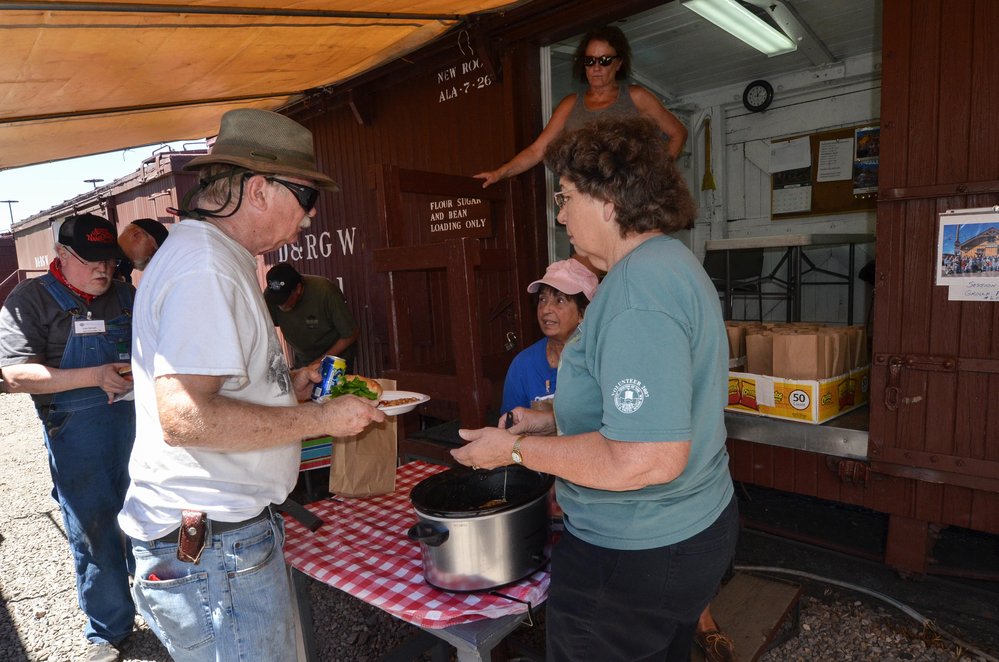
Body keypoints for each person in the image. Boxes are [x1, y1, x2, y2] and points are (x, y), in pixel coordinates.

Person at [453, 116, 737, 662]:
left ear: (609, 202)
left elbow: (646, 457)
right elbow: (658, 403)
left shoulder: (636, 292)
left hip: (638, 554)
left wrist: (514, 448)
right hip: (690, 529)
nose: (560, 216)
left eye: (565, 198)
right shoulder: (671, 260)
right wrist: (552, 419)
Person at [117, 108, 385, 662]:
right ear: (259, 189)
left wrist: (289, 384)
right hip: (215, 546)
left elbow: (220, 386)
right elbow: (185, 417)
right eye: (307, 200)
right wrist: (322, 420)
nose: (310, 220)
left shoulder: (215, 257)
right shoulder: (205, 268)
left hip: (218, 541)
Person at [0, 213, 136, 662]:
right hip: (78, 431)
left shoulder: (126, 295)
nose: (104, 270)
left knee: (149, 516)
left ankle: (162, 609)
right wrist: (93, 375)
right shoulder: (31, 300)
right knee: (94, 525)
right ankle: (109, 628)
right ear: (61, 254)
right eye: (92, 260)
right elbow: (13, 375)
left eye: (110, 262)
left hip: (138, 422)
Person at [474, 25, 688, 188]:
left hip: (627, 197)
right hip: (586, 197)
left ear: (618, 64)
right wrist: (500, 173)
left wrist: (656, 172)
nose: (596, 68)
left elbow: (678, 132)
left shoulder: (637, 96)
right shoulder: (570, 104)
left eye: (604, 61)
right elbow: (537, 149)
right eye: (590, 61)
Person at [501, 257, 597, 414]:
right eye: (542, 299)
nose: (546, 309)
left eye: (559, 300)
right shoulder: (524, 364)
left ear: (584, 312)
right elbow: (510, 426)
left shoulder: (599, 360)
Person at [264, 261, 360, 370]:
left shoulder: (324, 291)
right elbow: (263, 332)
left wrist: (319, 362)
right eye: (277, 300)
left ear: (298, 288)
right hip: (304, 359)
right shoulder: (270, 296)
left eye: (285, 299)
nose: (281, 305)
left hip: (335, 357)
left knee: (331, 386)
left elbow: (351, 334)